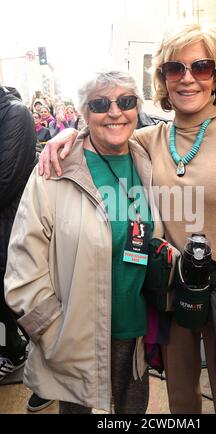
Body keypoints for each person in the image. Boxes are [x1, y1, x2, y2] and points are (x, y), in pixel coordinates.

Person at [38, 23, 216, 415]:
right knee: (181, 404)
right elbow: (105, 127)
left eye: (201, 67)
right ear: (163, 79)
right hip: (172, 296)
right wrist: (66, 134)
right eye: (175, 69)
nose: (188, 79)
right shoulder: (147, 141)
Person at [4, 71, 166, 414]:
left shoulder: (150, 159)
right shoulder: (55, 169)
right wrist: (51, 332)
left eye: (125, 102)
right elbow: (22, 264)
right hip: (76, 340)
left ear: (137, 108)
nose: (114, 112)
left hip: (134, 337)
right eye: (99, 104)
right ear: (83, 112)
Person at [0, 85, 35, 381]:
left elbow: (5, 182)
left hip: (11, 229)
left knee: (23, 306)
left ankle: (48, 370)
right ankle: (12, 352)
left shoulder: (15, 113)